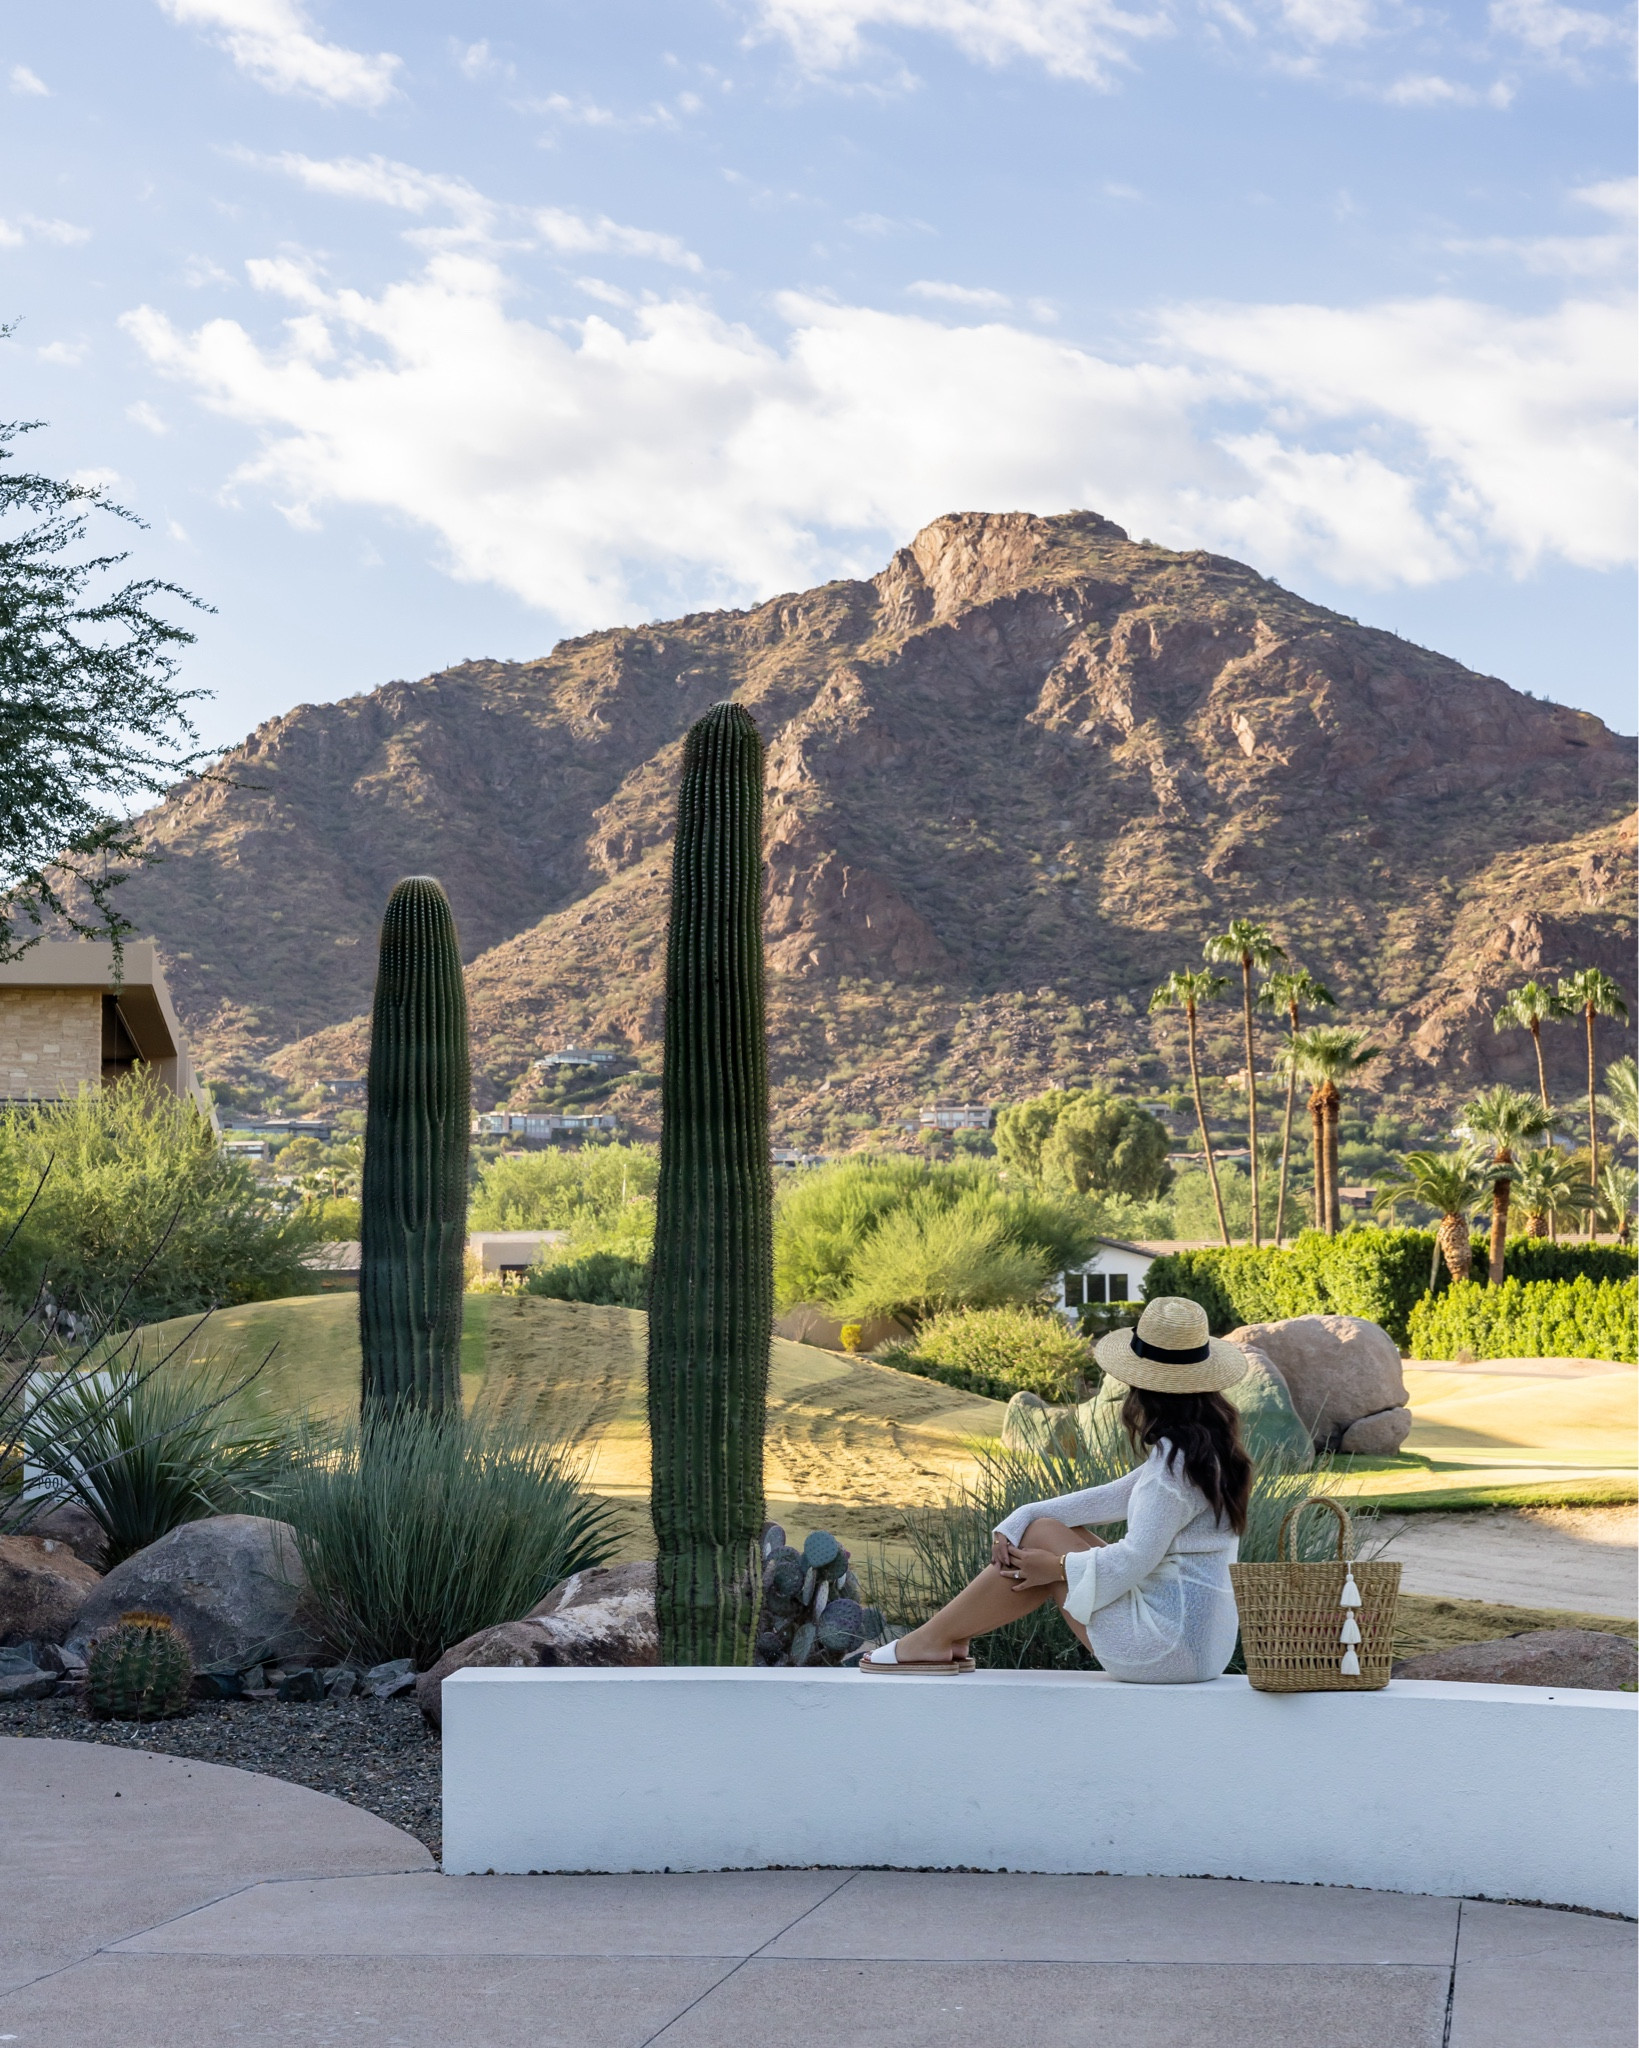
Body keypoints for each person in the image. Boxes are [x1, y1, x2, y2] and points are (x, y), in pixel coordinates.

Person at [859, 1296, 1253, 1680]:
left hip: (1163, 1651)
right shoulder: (1204, 1454)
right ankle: (949, 1635)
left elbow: (1134, 1560)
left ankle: (934, 1639)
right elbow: (1116, 1496)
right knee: (1041, 1528)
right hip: (1200, 1649)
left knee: (1042, 1537)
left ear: (1142, 1389)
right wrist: (1020, 1518)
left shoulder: (1174, 1467)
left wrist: (1058, 1567)